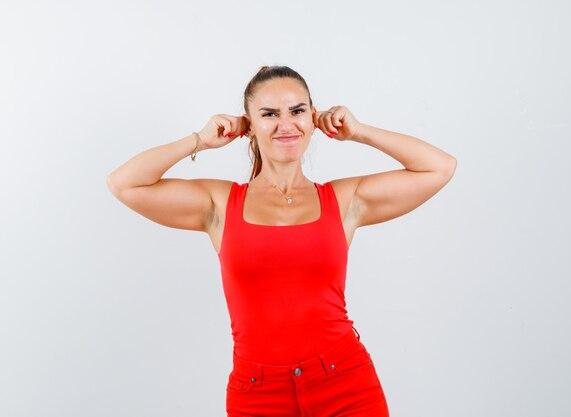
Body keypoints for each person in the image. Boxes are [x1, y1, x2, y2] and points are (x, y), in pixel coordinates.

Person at [107, 65, 457, 416]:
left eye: (297, 111)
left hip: (346, 386)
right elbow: (125, 183)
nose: (286, 124)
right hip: (258, 395)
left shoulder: (344, 200)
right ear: (249, 125)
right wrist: (199, 139)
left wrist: (359, 132)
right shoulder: (220, 204)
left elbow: (439, 167)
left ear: (313, 118)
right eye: (269, 114)